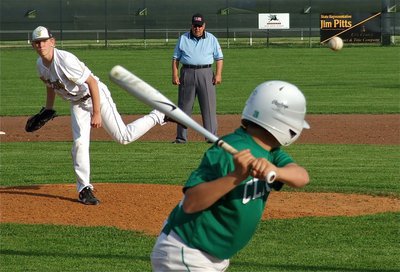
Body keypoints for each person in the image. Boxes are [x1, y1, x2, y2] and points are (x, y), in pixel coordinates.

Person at [150, 80, 310, 271]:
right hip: (186, 252)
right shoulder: (226, 151)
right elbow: (191, 202)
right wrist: (236, 176)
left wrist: (274, 171)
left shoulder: (270, 151)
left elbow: (301, 177)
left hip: (211, 257)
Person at [29, 26, 166, 205]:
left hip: (97, 97)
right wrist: (48, 108)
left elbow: (92, 82)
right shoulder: (40, 66)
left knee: (123, 137)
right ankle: (84, 189)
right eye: (37, 42)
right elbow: (50, 85)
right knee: (79, 143)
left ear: (52, 42)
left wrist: (97, 112)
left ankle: (158, 115)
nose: (41, 45)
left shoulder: (66, 60)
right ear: (33, 45)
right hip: (77, 103)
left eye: (44, 41)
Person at [171, 13, 223, 143]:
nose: (197, 28)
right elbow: (175, 59)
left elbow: (219, 58)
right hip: (187, 73)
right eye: (195, 25)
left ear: (204, 26)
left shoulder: (212, 38)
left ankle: (211, 137)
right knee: (184, 107)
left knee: (209, 107)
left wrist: (218, 74)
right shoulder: (183, 38)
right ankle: (181, 138)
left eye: (200, 26)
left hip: (206, 73)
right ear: (191, 25)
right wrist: (175, 74)